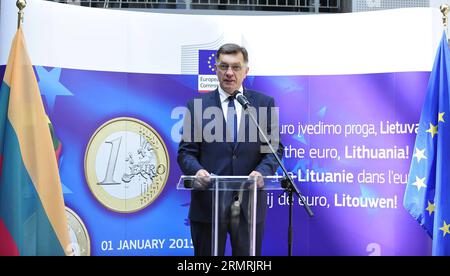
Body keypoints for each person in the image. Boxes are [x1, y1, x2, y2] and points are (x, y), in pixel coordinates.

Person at [177, 43, 283, 256]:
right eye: (223, 66)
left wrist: (262, 173)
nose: (229, 73)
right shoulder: (197, 105)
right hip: (208, 204)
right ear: (215, 69)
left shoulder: (263, 104)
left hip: (248, 206)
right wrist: (196, 171)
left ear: (246, 72)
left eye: (236, 67)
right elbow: (186, 152)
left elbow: (273, 149)